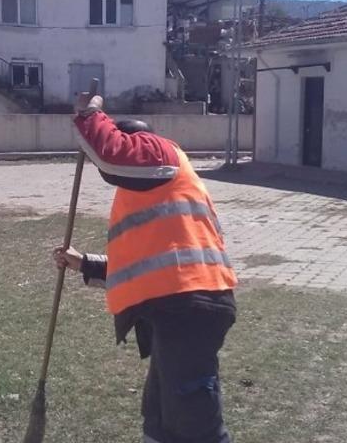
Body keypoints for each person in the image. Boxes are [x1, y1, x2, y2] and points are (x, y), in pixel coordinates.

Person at [53, 93, 238, 443]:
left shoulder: (159, 151)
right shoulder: (145, 194)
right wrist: (85, 265)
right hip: (176, 306)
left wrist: (90, 113)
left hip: (191, 304)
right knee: (159, 416)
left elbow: (110, 154)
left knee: (193, 420)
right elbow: (143, 268)